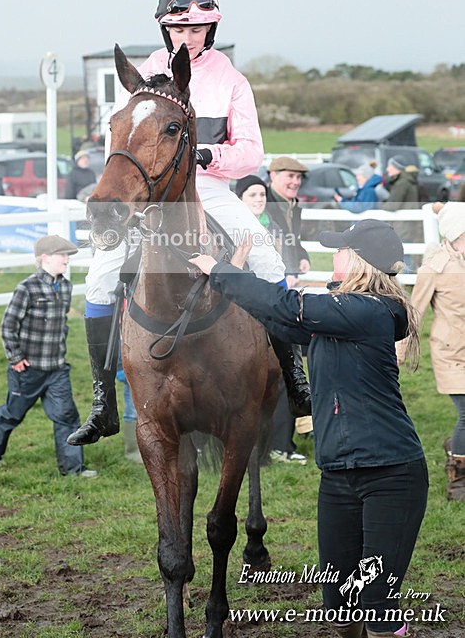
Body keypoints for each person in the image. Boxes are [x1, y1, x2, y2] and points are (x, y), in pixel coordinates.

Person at [67, 0, 311, 447]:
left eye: (197, 29)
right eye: (180, 29)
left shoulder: (231, 80)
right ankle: (103, 403)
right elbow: (122, 138)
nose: (188, 36)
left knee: (265, 259)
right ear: (166, 31)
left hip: (212, 187)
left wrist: (208, 156)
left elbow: (252, 152)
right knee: (99, 278)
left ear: (211, 31)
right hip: (152, 193)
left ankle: (294, 377)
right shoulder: (144, 75)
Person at [189, 219, 427, 638]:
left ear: (358, 260)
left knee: (376, 605)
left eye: (340, 248)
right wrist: (234, 279)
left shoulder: (367, 310)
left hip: (390, 474)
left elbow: (285, 306)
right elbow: (278, 319)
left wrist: (221, 270)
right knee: (339, 606)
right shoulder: (342, 312)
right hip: (337, 475)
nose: (332, 254)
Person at [0, 235, 97, 478]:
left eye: (68, 255)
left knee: (67, 416)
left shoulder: (64, 286)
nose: (67, 260)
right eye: (62, 255)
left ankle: (73, 469)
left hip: (57, 369)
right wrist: (15, 358)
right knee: (13, 413)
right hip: (27, 369)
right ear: (45, 258)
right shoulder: (27, 288)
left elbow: (60, 323)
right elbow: (8, 325)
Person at [235, 174, 307, 465]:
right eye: (252, 195)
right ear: (239, 199)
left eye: (262, 194)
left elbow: (283, 261)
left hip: (273, 306)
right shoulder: (232, 227)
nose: (259, 199)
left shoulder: (273, 226)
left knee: (281, 371)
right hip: (243, 311)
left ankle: (280, 444)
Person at [399, 202, 465, 500]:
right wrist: (398, 352)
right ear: (454, 234)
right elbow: (415, 313)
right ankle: (458, 477)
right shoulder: (434, 268)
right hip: (452, 352)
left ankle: (457, 445)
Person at [265, 156, 311, 288]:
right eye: (290, 176)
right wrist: (287, 272)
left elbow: (291, 239)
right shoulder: (262, 204)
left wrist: (302, 256)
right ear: (273, 175)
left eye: (299, 177)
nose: (296, 182)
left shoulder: (293, 206)